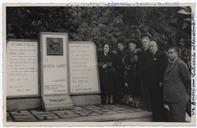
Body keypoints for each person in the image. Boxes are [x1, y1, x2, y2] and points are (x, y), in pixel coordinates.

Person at [163, 47, 190, 122]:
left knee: (178, 121)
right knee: (172, 121)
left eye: (171, 53)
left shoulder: (181, 64)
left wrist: (186, 95)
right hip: (169, 98)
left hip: (178, 98)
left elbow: (188, 80)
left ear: (176, 54)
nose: (169, 54)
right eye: (168, 53)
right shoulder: (169, 64)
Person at [147, 41, 168, 121]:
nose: (151, 48)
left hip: (159, 84)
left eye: (152, 46)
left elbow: (163, 69)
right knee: (153, 102)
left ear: (157, 46)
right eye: (150, 47)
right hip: (151, 83)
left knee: (159, 102)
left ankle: (160, 119)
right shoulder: (149, 56)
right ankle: (155, 118)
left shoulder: (162, 55)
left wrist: (161, 81)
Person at [123, 41, 140, 107]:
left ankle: (137, 102)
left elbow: (138, 62)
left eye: (132, 45)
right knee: (131, 87)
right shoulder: (127, 54)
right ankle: (132, 101)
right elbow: (125, 62)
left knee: (137, 87)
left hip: (136, 73)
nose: (131, 47)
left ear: (135, 46)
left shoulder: (138, 53)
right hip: (130, 73)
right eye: (130, 45)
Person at [137, 36, 152, 110]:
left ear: (149, 42)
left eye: (145, 42)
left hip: (149, 76)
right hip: (142, 76)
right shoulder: (141, 53)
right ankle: (145, 105)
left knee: (149, 91)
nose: (144, 44)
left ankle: (149, 106)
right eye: (142, 43)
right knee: (143, 91)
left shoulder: (151, 52)